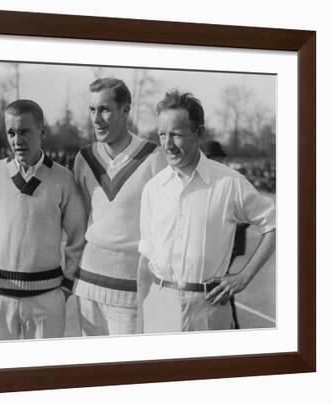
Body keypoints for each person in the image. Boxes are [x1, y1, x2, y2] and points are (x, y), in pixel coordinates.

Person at [137, 90, 276, 332]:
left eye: (177, 135)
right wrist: (140, 319)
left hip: (208, 311)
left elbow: (276, 223)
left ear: (198, 133)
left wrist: (244, 276)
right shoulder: (153, 188)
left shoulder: (230, 183)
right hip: (158, 309)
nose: (167, 144)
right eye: (162, 134)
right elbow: (145, 259)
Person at [0, 99, 87, 341]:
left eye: (25, 131)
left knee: (44, 376)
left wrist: (67, 284)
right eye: (11, 132)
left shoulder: (63, 179)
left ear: (42, 132)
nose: (17, 140)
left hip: (47, 298)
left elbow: (78, 236)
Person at [73, 78, 167, 336]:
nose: (96, 119)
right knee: (92, 371)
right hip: (88, 285)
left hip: (130, 290)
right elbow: (78, 222)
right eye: (92, 110)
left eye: (104, 109)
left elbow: (165, 228)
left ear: (125, 109)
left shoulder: (154, 157)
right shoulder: (84, 158)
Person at [200, 139, 248, 329]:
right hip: (211, 249)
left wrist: (231, 224)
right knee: (218, 288)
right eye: (215, 159)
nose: (218, 162)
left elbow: (246, 216)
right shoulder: (204, 182)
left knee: (220, 286)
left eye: (220, 159)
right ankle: (232, 326)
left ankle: (232, 327)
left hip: (228, 245)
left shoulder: (231, 181)